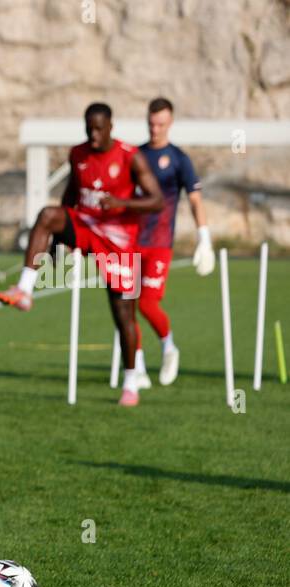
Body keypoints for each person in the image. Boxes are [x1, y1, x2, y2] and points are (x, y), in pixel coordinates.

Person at [0, 102, 163, 406]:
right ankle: (24, 290)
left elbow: (157, 200)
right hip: (85, 225)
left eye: (99, 129)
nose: (94, 135)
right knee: (47, 214)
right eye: (89, 129)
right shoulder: (78, 154)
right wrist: (61, 240)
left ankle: (130, 382)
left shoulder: (130, 156)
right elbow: (70, 197)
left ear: (111, 126)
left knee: (123, 313)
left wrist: (122, 204)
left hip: (119, 239)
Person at [135, 96, 214, 387]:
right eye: (151, 123)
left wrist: (203, 238)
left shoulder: (179, 159)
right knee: (125, 306)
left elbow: (195, 200)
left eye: (161, 124)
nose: (155, 129)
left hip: (159, 244)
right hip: (131, 243)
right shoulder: (135, 155)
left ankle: (169, 348)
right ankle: (137, 369)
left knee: (147, 303)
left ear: (170, 123)